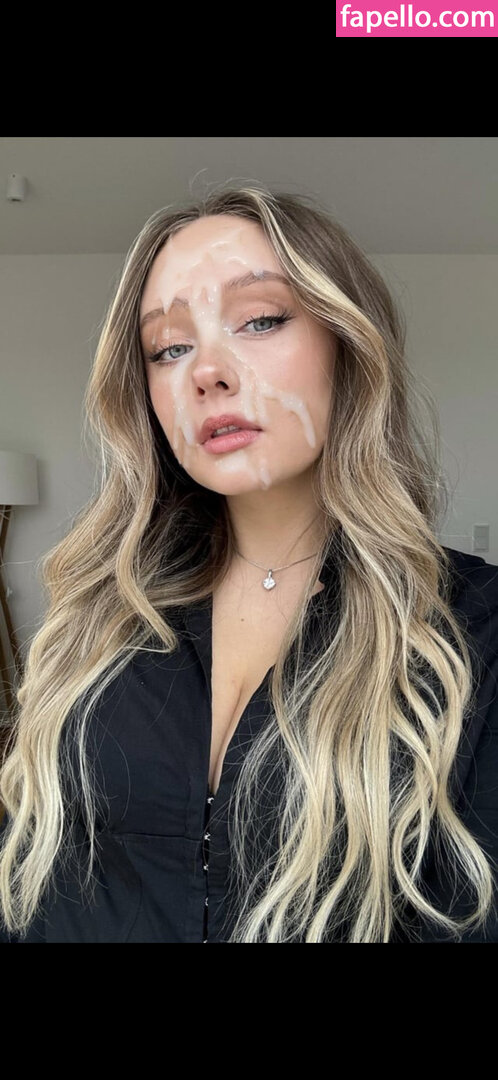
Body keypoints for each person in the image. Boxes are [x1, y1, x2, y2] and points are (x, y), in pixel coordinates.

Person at [0, 183, 497, 943]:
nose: (207, 371)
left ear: (347, 344)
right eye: (169, 348)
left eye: (260, 319)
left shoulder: (472, 631)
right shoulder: (100, 620)